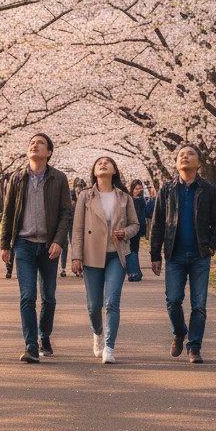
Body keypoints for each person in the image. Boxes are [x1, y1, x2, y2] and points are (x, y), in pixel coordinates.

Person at [0, 132, 73, 362]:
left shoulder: (59, 179)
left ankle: (44, 334)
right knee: (27, 296)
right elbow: (8, 212)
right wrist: (5, 244)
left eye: (40, 143)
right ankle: (31, 345)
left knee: (49, 297)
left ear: (49, 152)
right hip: (24, 245)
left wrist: (59, 241)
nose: (35, 145)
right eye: (32, 143)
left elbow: (65, 213)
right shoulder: (17, 178)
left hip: (49, 245)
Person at [149, 144, 216, 364]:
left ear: (199, 163)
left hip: (200, 255)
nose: (185, 157)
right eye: (181, 155)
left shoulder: (208, 189)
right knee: (173, 301)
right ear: (176, 163)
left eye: (190, 154)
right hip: (175, 255)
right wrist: (155, 255)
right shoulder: (167, 190)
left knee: (199, 305)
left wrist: (211, 246)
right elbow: (158, 225)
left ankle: (194, 347)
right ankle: (179, 331)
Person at [71, 156, 139, 364]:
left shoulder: (124, 197)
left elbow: (135, 225)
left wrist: (124, 232)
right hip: (92, 253)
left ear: (114, 170)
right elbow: (78, 228)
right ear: (93, 170)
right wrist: (76, 256)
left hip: (116, 254)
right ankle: (97, 332)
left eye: (107, 163)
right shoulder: (85, 196)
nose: (102, 164)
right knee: (94, 305)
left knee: (112, 302)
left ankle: (109, 346)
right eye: (99, 163)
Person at [126, 179, 147, 282]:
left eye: (140, 188)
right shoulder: (129, 200)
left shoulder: (141, 200)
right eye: (137, 188)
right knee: (131, 250)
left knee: (134, 250)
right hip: (131, 227)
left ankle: (135, 272)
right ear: (132, 189)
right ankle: (134, 272)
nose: (139, 190)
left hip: (139, 227)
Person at [61, 182, 80, 277]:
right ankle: (63, 268)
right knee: (64, 245)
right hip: (66, 222)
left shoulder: (82, 197)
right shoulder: (69, 195)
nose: (78, 190)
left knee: (75, 244)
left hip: (75, 224)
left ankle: (78, 268)